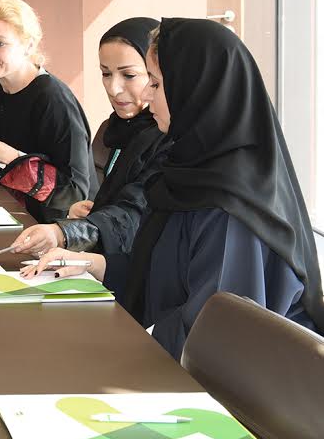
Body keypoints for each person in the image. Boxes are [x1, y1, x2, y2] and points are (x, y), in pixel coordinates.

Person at [23, 19, 323, 359]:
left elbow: (213, 334)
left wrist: (111, 347)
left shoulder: (229, 206)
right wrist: (92, 265)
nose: (146, 96)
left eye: (156, 83)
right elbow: (163, 277)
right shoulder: (188, 172)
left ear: (197, 90)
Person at [8, 18, 168, 255]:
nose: (113, 88)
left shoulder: (165, 138)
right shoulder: (116, 129)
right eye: (106, 73)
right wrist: (91, 214)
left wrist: (67, 232)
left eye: (129, 75)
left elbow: (134, 212)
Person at [0, 0, 93, 223]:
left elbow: (74, 192)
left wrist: (10, 158)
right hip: (12, 209)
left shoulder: (53, 99)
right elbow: (2, 158)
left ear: (28, 45)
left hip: (55, 226)